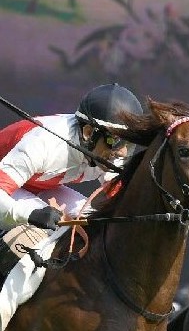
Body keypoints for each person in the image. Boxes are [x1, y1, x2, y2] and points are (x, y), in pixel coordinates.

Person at [0, 83, 143, 233]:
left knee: (91, 220)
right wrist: (28, 215)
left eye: (128, 142)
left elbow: (124, 200)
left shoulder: (108, 152)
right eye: (116, 140)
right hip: (5, 188)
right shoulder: (42, 144)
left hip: (38, 186)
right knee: (47, 227)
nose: (123, 152)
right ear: (88, 133)